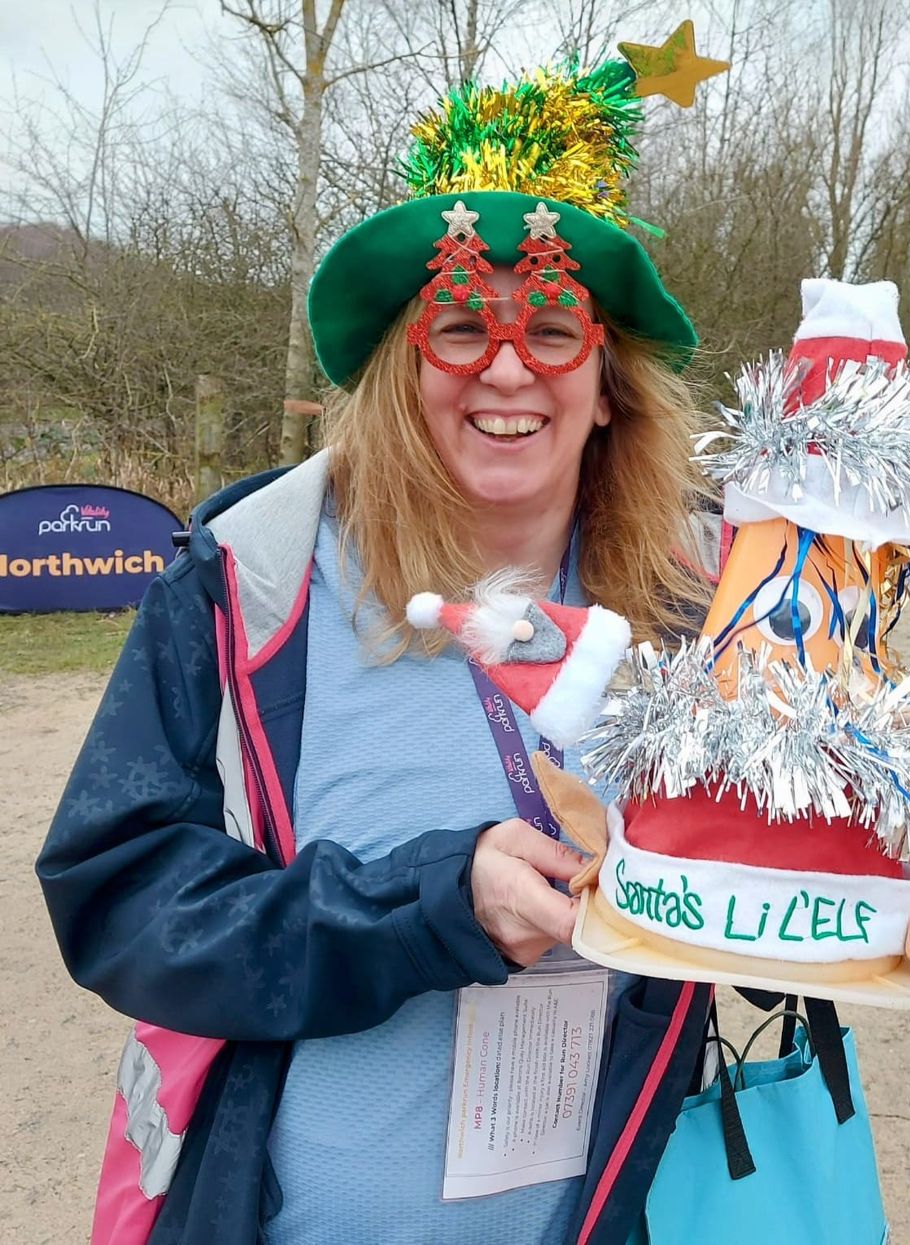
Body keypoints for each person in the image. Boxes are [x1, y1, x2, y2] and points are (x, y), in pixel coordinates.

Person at [36, 47, 726, 1245]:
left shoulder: (700, 603)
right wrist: (426, 907)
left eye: (555, 327)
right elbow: (119, 900)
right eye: (461, 326)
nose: (508, 368)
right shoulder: (249, 582)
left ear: (609, 385)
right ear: (405, 370)